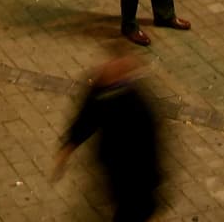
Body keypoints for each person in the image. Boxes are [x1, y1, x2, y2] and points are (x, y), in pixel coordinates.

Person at [55, 49, 162, 222]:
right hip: (115, 169)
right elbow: (88, 117)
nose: (104, 68)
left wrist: (152, 182)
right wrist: (69, 146)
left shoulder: (137, 106)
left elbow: (150, 148)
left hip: (134, 175)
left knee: (134, 212)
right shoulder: (100, 90)